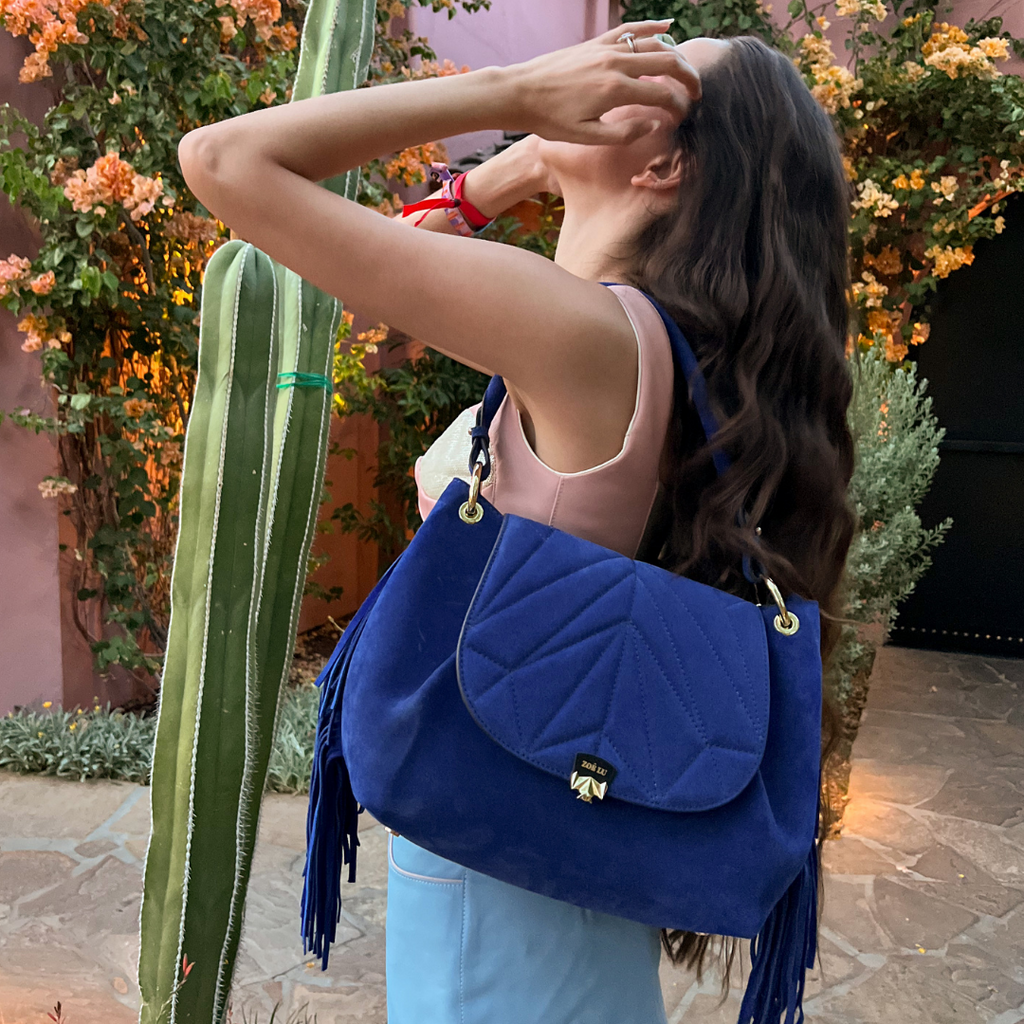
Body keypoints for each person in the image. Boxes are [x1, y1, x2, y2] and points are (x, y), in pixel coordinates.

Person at [179, 20, 856, 1024]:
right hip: (554, 836)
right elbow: (405, 258)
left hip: (499, 882)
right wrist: (532, 159)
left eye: (651, 77)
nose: (607, 66)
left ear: (665, 164)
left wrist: (512, 90)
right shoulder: (625, 335)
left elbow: (225, 160)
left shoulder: (588, 335)